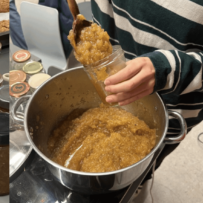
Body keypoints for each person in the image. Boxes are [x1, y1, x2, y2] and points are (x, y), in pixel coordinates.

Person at [10, 0, 203, 175]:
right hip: (107, 56)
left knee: (152, 158)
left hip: (179, 96)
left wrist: (171, 69)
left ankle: (138, 177)